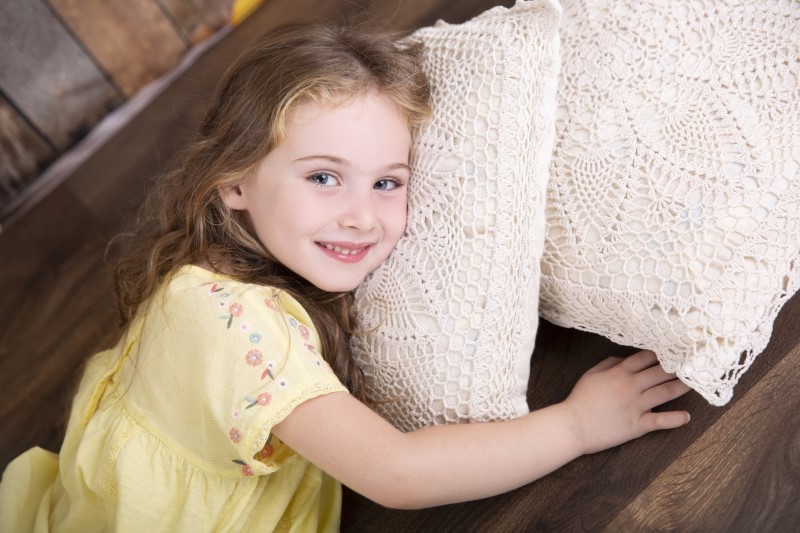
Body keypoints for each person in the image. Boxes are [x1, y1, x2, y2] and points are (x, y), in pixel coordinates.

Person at [0, 23, 692, 532]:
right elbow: (397, 472)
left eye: (387, 182)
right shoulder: (235, 329)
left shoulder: (217, 268)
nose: (362, 216)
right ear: (234, 179)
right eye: (324, 177)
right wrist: (576, 425)